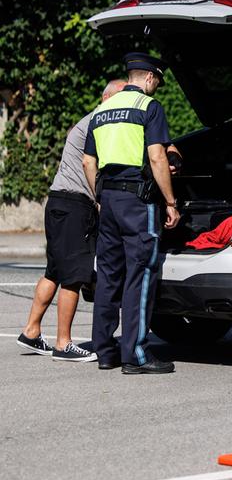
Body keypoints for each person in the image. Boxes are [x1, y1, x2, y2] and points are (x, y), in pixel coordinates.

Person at [82, 52, 180, 374]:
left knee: (109, 275)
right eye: (158, 83)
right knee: (140, 275)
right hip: (138, 203)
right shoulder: (149, 108)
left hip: (107, 200)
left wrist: (99, 197)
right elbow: (156, 157)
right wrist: (170, 201)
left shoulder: (101, 111)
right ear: (150, 78)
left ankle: (105, 351)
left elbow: (88, 162)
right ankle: (135, 354)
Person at [16, 79, 127, 361]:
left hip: (57, 202)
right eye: (122, 96)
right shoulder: (101, 122)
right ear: (107, 98)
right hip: (76, 205)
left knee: (54, 270)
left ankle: (31, 331)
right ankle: (64, 344)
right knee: (75, 275)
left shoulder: (87, 121)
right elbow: (94, 165)